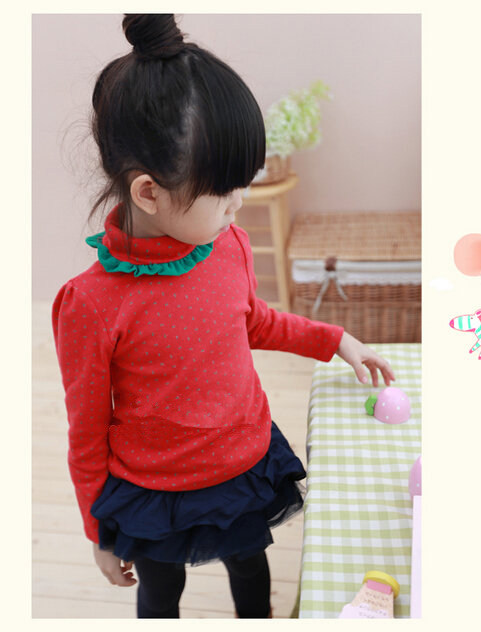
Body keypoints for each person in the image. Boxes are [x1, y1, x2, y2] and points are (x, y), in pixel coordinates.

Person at [52, 14, 395, 619]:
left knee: (252, 577)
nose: (239, 207)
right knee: (160, 596)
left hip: (242, 465)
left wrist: (336, 338)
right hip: (155, 492)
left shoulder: (228, 244)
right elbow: (86, 431)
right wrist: (97, 530)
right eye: (224, 193)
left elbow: (254, 321)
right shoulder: (91, 303)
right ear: (149, 193)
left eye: (244, 186)